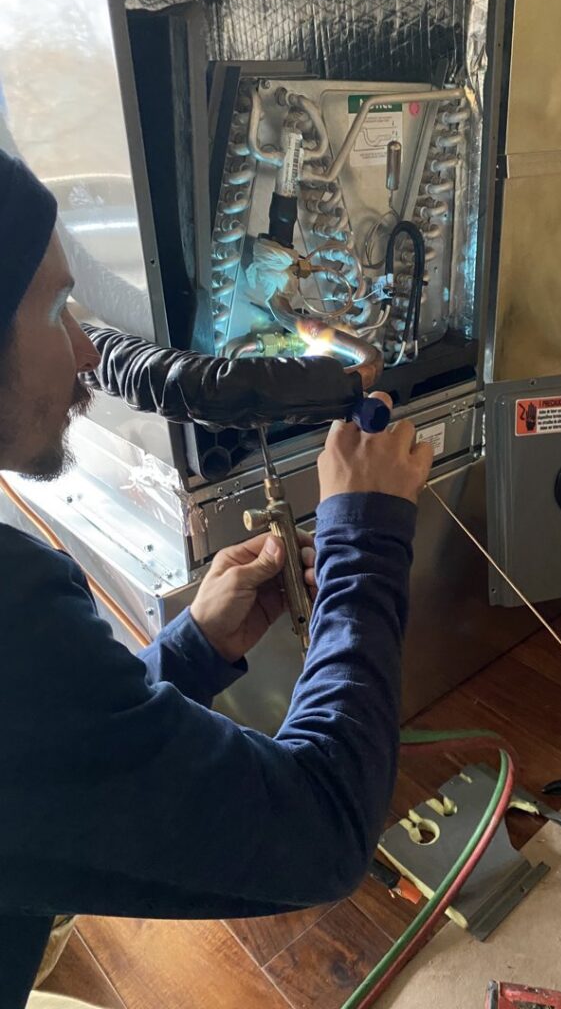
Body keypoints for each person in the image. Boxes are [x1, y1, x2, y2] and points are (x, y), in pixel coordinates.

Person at [0, 150, 433, 1009]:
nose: (86, 349)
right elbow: (323, 831)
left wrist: (193, 648)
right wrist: (365, 539)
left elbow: (52, 761)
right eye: (54, 310)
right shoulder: (15, 613)